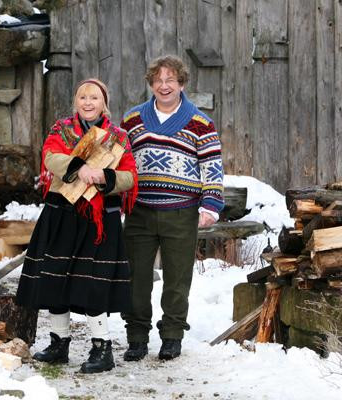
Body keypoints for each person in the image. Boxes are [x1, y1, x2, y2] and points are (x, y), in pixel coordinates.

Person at [16, 78, 137, 374]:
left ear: (103, 102)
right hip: (62, 214)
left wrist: (103, 177)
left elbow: (130, 177)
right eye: (82, 97)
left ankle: (102, 349)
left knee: (93, 284)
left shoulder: (118, 136)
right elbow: (50, 156)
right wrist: (79, 168)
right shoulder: (62, 129)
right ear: (76, 102)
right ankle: (59, 344)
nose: (87, 102)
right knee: (56, 281)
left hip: (100, 221)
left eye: (94, 97)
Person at [120, 55, 224, 361]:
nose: (164, 86)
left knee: (177, 279)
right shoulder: (132, 120)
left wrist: (211, 204)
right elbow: (119, 161)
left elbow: (212, 166)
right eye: (158, 80)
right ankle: (137, 336)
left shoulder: (200, 123)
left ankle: (172, 335)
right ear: (151, 84)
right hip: (139, 210)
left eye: (171, 80)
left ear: (181, 84)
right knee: (136, 277)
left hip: (181, 211)